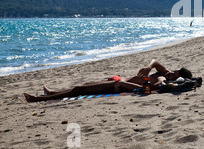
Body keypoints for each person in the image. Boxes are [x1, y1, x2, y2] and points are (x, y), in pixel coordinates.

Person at [24, 60, 193, 103]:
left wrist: (125, 85)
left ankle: (39, 99)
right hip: (119, 80)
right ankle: (52, 93)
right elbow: (155, 61)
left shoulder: (163, 78)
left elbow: (148, 89)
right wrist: (149, 67)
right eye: (173, 71)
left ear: (175, 79)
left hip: (117, 85)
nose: (170, 72)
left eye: (173, 74)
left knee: (79, 89)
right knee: (85, 85)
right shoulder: (163, 72)